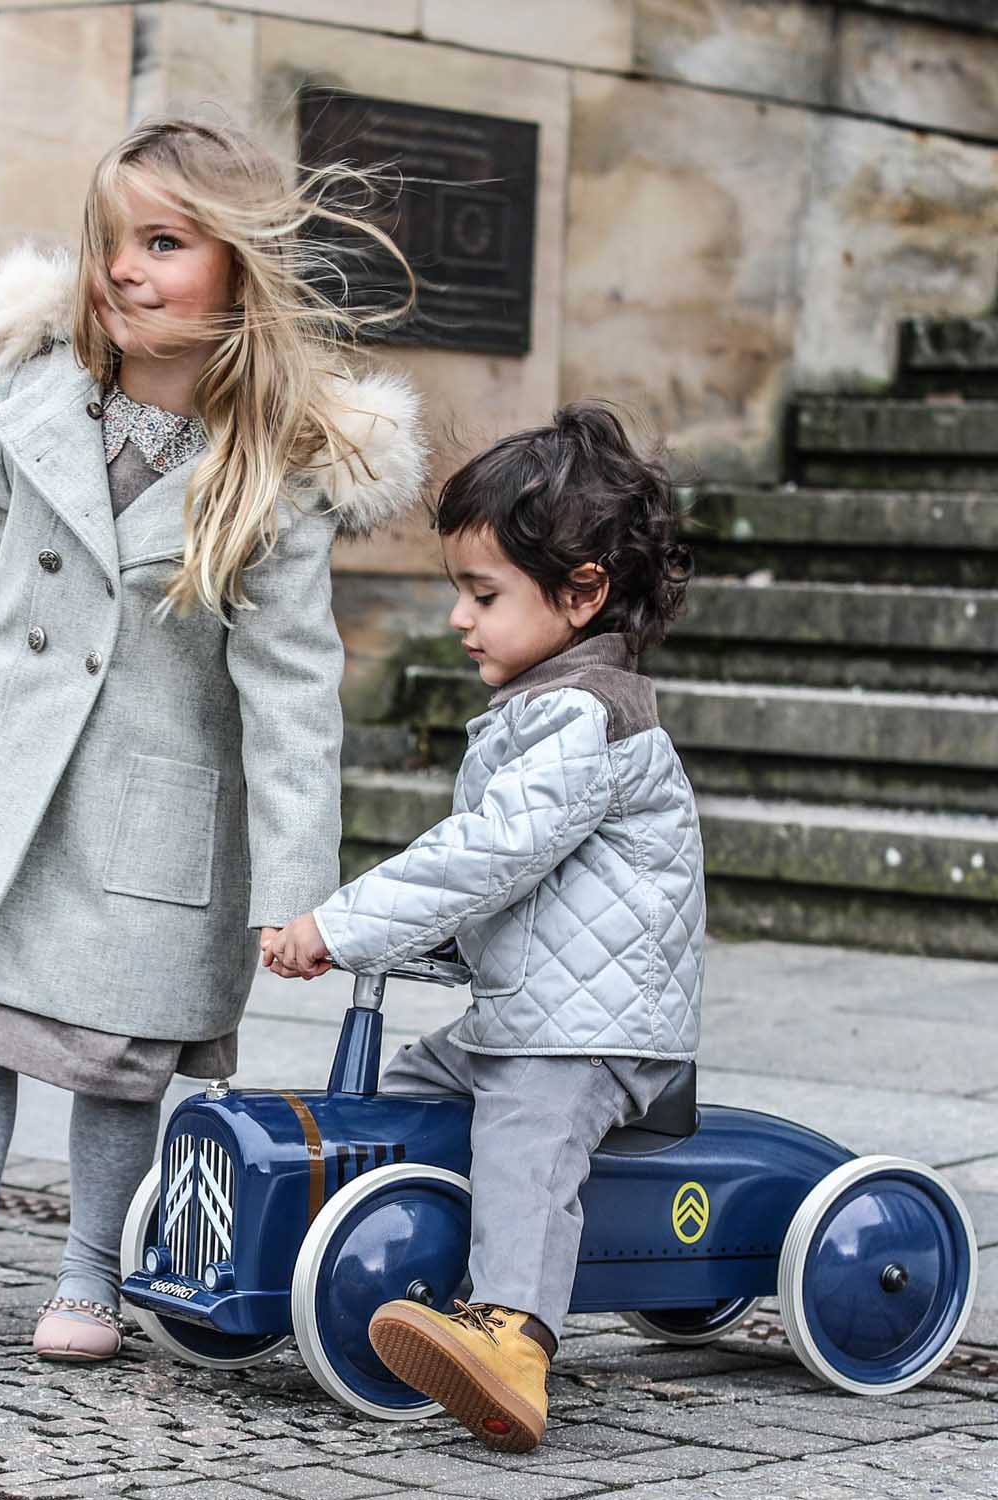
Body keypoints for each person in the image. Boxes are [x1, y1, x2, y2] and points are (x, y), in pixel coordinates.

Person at [0, 117, 425, 1362]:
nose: (123, 268)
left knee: (118, 1053)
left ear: (238, 270)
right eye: (112, 239)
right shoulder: (32, 398)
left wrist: (295, 891)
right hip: (6, 779)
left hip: (148, 812)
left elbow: (293, 693)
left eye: (163, 242)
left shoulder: (273, 473)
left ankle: (91, 1276)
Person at [265, 403, 702, 1451]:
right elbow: (518, 888)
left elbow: (489, 853)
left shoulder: (585, 717)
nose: (460, 619)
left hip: (595, 1029)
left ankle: (513, 1337)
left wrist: (343, 922)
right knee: (410, 1096)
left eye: (483, 593)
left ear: (582, 592)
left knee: (525, 1133)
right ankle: (343, 1259)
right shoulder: (537, 709)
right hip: (531, 1010)